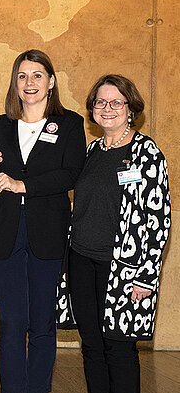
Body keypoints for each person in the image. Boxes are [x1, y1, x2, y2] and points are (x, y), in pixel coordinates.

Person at [57, 74, 171, 393]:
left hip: (123, 269)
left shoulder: (146, 152)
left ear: (130, 108)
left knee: (119, 350)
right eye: (100, 102)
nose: (108, 108)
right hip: (81, 261)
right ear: (93, 109)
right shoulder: (91, 151)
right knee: (92, 348)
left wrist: (146, 277)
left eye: (116, 102)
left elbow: (159, 219)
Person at [0, 49, 86, 393]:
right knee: (11, 323)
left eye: (38, 75)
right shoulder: (0, 125)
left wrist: (20, 184)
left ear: (51, 82)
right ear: (15, 82)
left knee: (42, 324)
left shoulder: (69, 124)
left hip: (48, 236)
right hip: (5, 237)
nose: (30, 83)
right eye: (23, 76)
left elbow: (71, 174)